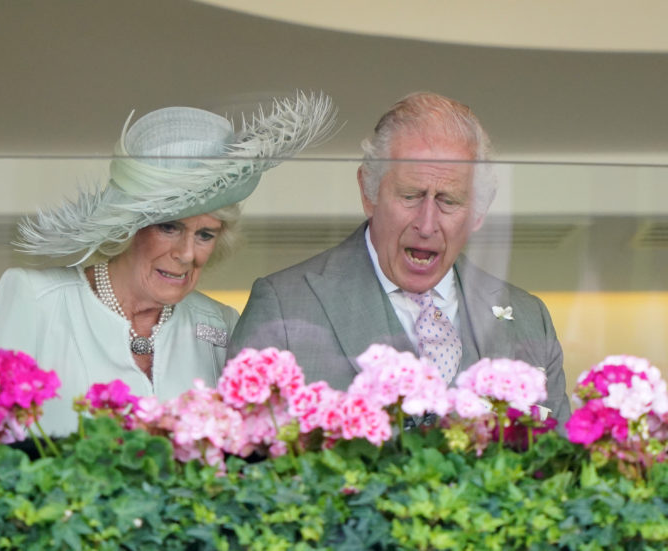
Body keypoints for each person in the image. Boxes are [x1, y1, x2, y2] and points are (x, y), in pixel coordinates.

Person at [0, 92, 338, 436]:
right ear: (129, 228)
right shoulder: (37, 300)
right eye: (170, 227)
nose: (186, 253)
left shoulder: (221, 325)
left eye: (205, 235)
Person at [228, 91, 571, 426]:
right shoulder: (284, 306)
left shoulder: (530, 316)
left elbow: (561, 470)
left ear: (478, 211)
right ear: (369, 191)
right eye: (410, 195)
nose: (426, 224)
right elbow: (245, 468)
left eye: (448, 201)